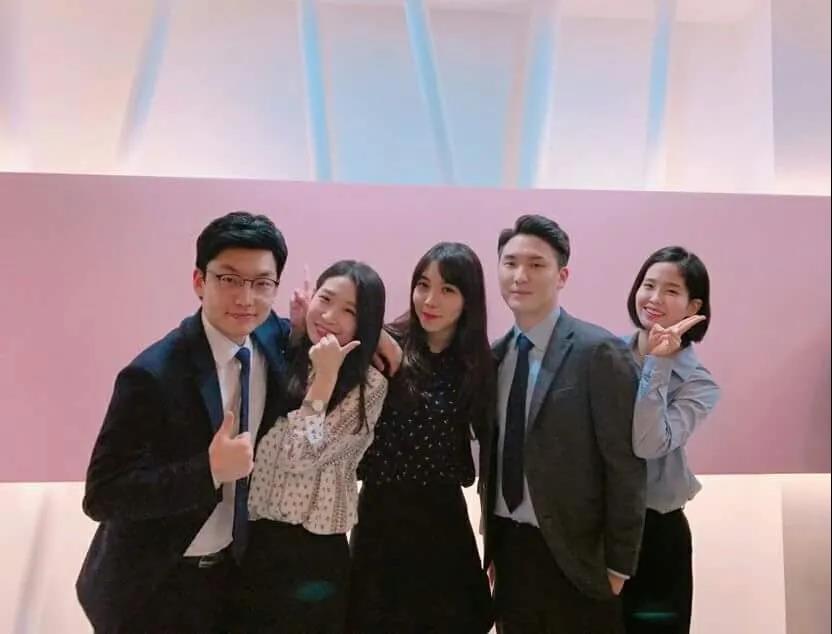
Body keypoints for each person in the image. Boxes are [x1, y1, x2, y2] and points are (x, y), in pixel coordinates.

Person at [76, 211, 290, 633]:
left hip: (233, 577)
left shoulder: (271, 338)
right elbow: (103, 495)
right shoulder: (153, 375)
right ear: (199, 281)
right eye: (229, 279)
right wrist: (208, 471)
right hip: (157, 584)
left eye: (261, 283)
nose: (246, 298)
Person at [479, 214, 647, 634]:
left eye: (536, 264)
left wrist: (618, 566)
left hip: (579, 558)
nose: (520, 275)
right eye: (510, 263)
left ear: (562, 275)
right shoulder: (495, 357)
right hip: (511, 552)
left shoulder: (598, 352)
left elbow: (625, 466)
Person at [349, 242, 495, 633]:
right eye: (423, 285)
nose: (430, 300)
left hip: (441, 516)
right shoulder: (384, 345)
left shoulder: (476, 363)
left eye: (448, 289)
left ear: (468, 299)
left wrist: (494, 540)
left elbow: (491, 453)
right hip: (381, 513)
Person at [236, 260, 388, 633]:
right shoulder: (288, 357)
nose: (331, 316)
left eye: (350, 311)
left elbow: (301, 456)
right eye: (325, 299)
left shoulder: (369, 386)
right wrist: (296, 334)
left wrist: (325, 379)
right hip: (257, 540)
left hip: (314, 552)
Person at [620, 246, 720, 634]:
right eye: (648, 285)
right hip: (595, 530)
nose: (654, 298)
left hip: (655, 537)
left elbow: (648, 444)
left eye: (671, 290)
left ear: (693, 306)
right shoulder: (603, 355)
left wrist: (658, 363)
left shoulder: (699, 383)